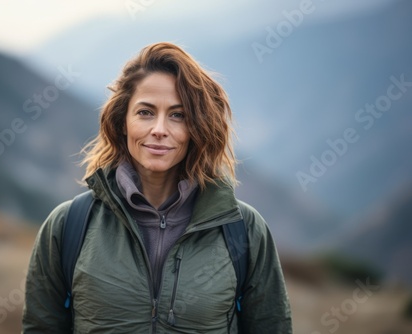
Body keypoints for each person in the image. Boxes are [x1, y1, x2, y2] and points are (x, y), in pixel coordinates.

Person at [22, 42, 292, 333]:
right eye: (146, 112)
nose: (160, 129)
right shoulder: (68, 226)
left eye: (178, 115)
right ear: (123, 122)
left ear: (196, 128)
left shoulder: (244, 229)